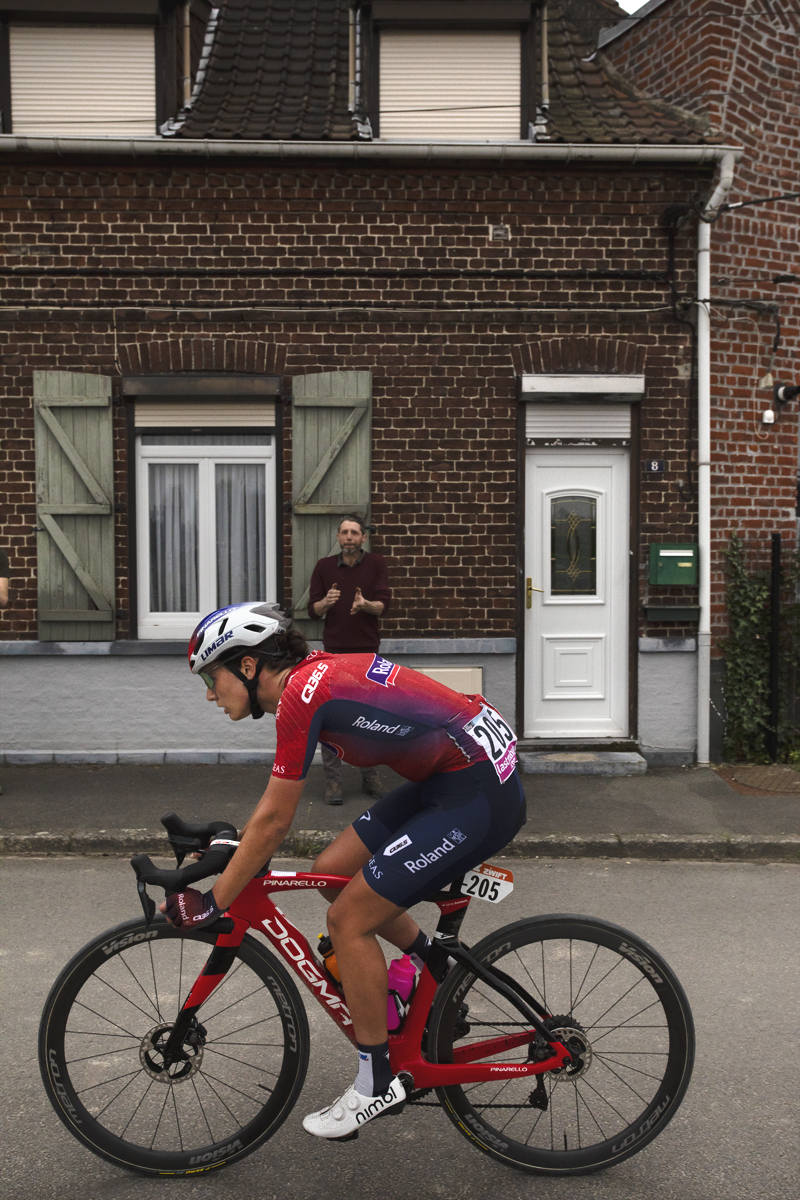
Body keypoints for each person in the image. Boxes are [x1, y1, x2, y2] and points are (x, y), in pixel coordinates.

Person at [162, 601, 526, 1141]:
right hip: (451, 776)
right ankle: (430, 973)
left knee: (349, 920)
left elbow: (274, 820)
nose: (210, 695)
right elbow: (268, 820)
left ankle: (376, 1081)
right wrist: (230, 843)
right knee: (332, 872)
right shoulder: (309, 684)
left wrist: (217, 899)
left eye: (210, 679)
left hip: (475, 790)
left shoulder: (300, 698)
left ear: (246, 666)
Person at [308, 514, 392, 805]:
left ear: (363, 538)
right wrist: (325, 603)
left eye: (354, 533)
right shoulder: (324, 567)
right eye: (344, 532)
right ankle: (333, 782)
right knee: (332, 717)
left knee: (367, 718)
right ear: (337, 537)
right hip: (334, 653)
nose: (349, 537)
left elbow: (383, 607)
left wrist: (365, 604)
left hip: (367, 654)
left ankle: (370, 777)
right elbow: (312, 611)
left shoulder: (377, 564)